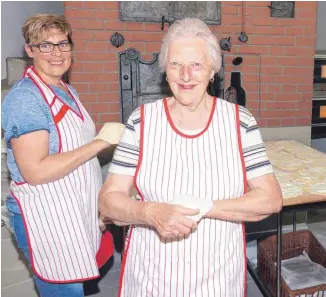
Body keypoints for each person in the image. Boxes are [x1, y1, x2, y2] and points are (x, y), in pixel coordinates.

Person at [98, 17, 283, 297]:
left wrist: (204, 205)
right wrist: (149, 212)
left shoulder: (239, 121)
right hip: (151, 278)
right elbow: (108, 201)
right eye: (176, 65)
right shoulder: (142, 121)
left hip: (218, 279)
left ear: (212, 71)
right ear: (165, 71)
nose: (185, 75)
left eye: (196, 65)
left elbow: (270, 199)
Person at [1, 14, 124, 296]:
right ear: (29, 51)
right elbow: (35, 171)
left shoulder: (65, 89)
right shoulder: (25, 99)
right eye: (45, 46)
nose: (56, 53)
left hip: (70, 208)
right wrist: (101, 142)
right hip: (45, 216)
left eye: (62, 44)